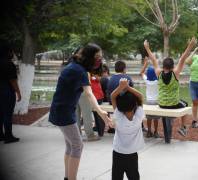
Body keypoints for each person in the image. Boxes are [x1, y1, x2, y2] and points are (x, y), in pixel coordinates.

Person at [48, 43, 112, 180]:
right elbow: (89, 94)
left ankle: (67, 177)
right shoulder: (79, 71)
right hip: (63, 112)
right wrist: (101, 112)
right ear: (89, 57)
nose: (99, 60)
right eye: (97, 57)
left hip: (62, 110)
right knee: (77, 146)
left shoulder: (75, 66)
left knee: (71, 146)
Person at [144, 37, 197, 142]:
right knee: (185, 104)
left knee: (178, 105)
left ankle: (173, 121)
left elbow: (153, 59)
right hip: (173, 104)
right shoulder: (175, 73)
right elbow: (182, 59)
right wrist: (190, 46)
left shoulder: (158, 72)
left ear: (163, 66)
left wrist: (147, 48)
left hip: (162, 103)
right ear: (173, 66)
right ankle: (183, 127)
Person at [111, 78, 145, 180]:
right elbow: (141, 97)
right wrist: (128, 87)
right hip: (132, 153)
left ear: (120, 107)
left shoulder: (118, 115)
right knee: (134, 176)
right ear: (135, 105)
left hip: (118, 152)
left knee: (116, 176)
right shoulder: (139, 115)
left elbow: (113, 97)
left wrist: (121, 87)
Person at [0, 44, 21, 144]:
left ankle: (1, 135)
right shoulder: (9, 64)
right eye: (11, 51)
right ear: (8, 52)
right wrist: (18, 92)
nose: (12, 54)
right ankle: (8, 136)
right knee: (8, 113)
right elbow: (12, 80)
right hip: (6, 91)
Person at [139, 56, 160, 138]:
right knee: (156, 118)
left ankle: (149, 132)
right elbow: (158, 71)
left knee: (149, 117)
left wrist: (146, 63)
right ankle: (156, 132)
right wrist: (155, 64)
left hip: (148, 101)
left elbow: (141, 72)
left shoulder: (147, 80)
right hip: (156, 101)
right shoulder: (158, 81)